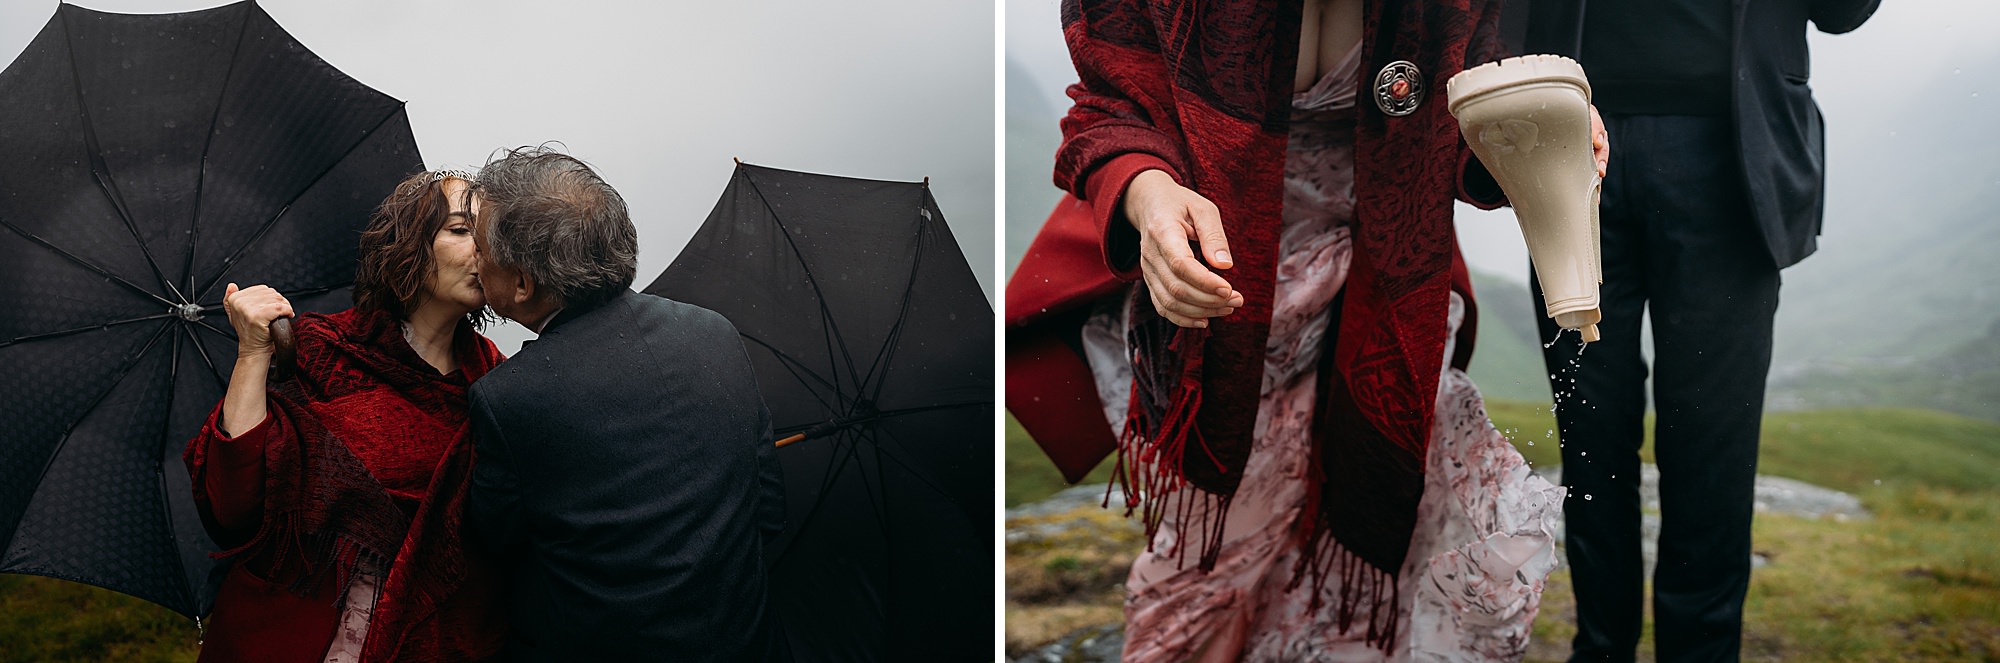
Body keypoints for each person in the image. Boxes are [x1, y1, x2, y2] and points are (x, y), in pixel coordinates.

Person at [1006, 0, 1611, 659]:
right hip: (1223, 291)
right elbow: (1111, 104)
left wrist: (1535, 130)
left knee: (1372, 529)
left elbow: (1465, 122)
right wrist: (1146, 193)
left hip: (1387, 290)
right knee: (1215, 549)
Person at [1520, 1, 1879, 661]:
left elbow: (1842, 11)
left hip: (1733, 155)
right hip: (1564, 148)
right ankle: (1600, 647)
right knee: (1590, 438)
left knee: (1713, 445)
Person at [464, 146, 787, 662]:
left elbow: (493, 544)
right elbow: (769, 510)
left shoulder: (509, 398)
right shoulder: (714, 332)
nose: (473, 262)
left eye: (479, 249)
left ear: (523, 283)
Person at [184, 171, 508, 662]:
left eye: (489, 235)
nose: (482, 250)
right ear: (410, 243)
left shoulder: (494, 382)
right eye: (461, 230)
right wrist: (253, 353)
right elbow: (232, 506)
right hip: (294, 634)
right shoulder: (319, 352)